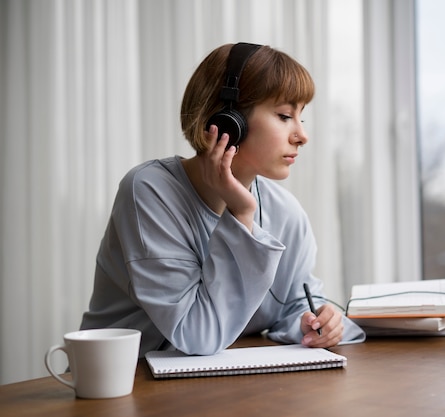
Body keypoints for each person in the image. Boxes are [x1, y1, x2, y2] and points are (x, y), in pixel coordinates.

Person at [80, 42, 366, 357]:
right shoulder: (148, 192)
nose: (301, 135)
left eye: (302, 118)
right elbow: (196, 334)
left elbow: (295, 300)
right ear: (228, 120)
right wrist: (241, 215)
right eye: (285, 115)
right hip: (126, 386)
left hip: (228, 389)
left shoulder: (286, 212)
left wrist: (314, 322)